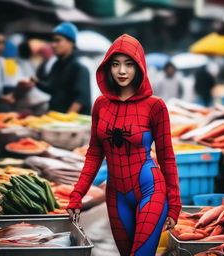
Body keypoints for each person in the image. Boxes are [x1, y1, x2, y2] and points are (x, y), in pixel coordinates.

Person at [67, 34, 182, 256]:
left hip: (150, 189)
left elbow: (167, 157)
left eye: (129, 64)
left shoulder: (155, 106)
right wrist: (77, 194)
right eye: (115, 64)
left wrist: (175, 204)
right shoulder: (100, 104)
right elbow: (94, 154)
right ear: (107, 67)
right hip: (115, 194)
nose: (122, 71)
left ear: (140, 67)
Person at [25, 22, 91, 114]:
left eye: (58, 40)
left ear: (71, 42)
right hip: (56, 118)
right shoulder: (57, 64)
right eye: (53, 41)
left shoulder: (79, 65)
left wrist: (67, 119)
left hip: (72, 121)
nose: (53, 45)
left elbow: (81, 98)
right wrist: (37, 82)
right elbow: (52, 88)